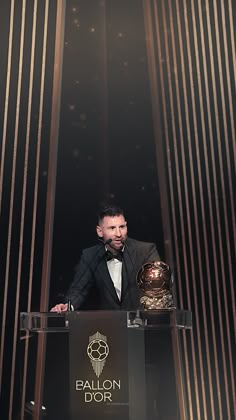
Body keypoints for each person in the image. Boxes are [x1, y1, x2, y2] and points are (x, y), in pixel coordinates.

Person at [51, 203, 160, 312]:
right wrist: (68, 306)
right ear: (100, 231)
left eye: (122, 227)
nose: (118, 234)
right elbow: (79, 289)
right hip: (108, 325)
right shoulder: (90, 256)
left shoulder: (145, 251)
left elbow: (159, 287)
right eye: (112, 228)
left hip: (141, 323)